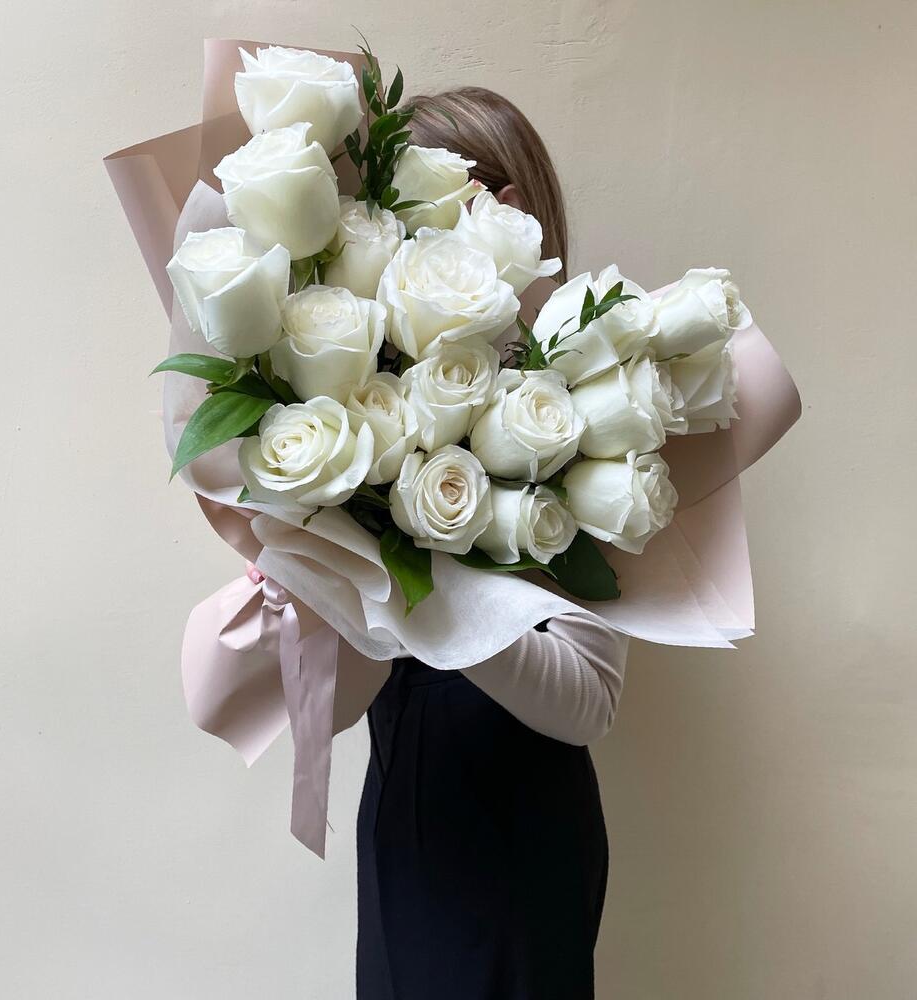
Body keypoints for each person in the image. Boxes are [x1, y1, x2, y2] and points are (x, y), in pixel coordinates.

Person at [354, 87, 631, 1000]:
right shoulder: (379, 405)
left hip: (522, 832)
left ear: (503, 215)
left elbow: (588, 701)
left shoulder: (584, 418)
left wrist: (424, 568)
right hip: (404, 819)